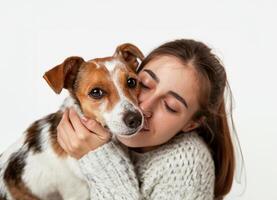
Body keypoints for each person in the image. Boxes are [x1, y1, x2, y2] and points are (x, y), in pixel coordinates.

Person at [57, 39, 236, 200]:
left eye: (170, 106)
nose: (141, 109)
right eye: (141, 84)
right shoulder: (100, 130)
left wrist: (100, 160)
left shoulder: (187, 164)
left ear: (191, 124)